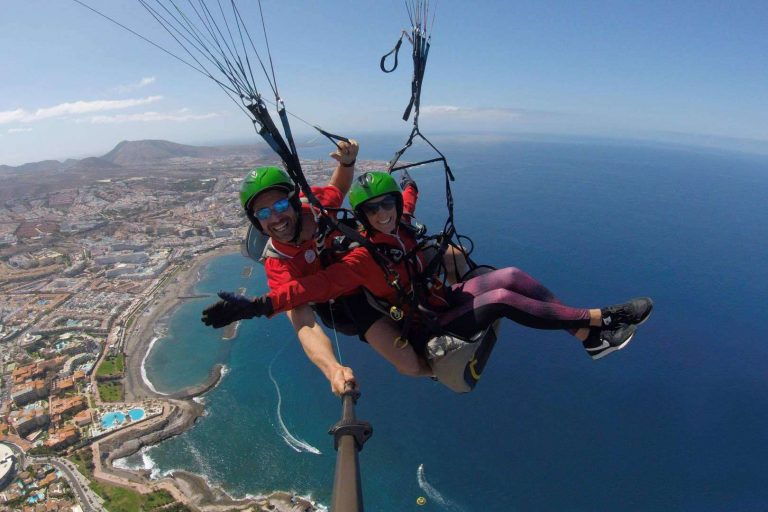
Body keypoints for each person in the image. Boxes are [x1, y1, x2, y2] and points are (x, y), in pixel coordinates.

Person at [204, 171, 652, 376]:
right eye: (373, 211)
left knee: (512, 275)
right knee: (500, 300)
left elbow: (400, 203)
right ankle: (600, 319)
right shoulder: (359, 260)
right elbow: (311, 289)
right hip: (426, 321)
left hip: (439, 298)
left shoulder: (398, 225)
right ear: (361, 219)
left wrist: (409, 186)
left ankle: (587, 339)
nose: (382, 214)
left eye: (388, 207)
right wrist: (256, 306)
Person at [230, 147, 430, 396]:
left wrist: (347, 163)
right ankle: (438, 368)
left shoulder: (314, 207)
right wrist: (332, 369)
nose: (276, 217)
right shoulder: (279, 265)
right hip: (349, 302)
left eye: (281, 204)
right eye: (263, 212)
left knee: (447, 256)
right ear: (256, 221)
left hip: (366, 266)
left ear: (294, 203)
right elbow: (303, 321)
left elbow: (338, 188)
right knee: (409, 364)